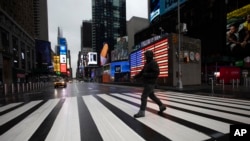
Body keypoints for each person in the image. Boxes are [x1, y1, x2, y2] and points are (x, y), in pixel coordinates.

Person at [132, 50, 166, 118]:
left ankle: (142, 112)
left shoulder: (153, 63)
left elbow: (156, 73)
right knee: (152, 96)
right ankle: (162, 106)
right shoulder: (147, 63)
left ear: (149, 56)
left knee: (144, 96)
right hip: (148, 83)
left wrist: (146, 74)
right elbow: (142, 72)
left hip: (150, 83)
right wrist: (135, 77)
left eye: (146, 56)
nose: (145, 57)